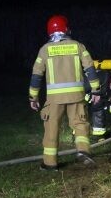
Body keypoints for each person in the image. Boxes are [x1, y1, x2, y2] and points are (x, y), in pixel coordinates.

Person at [28, 14, 102, 170]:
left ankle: (50, 164)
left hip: (54, 99)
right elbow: (90, 69)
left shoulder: (44, 50)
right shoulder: (78, 46)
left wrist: (33, 97)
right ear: (67, 29)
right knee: (80, 124)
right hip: (76, 96)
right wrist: (96, 91)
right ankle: (83, 151)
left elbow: (36, 75)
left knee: (51, 129)